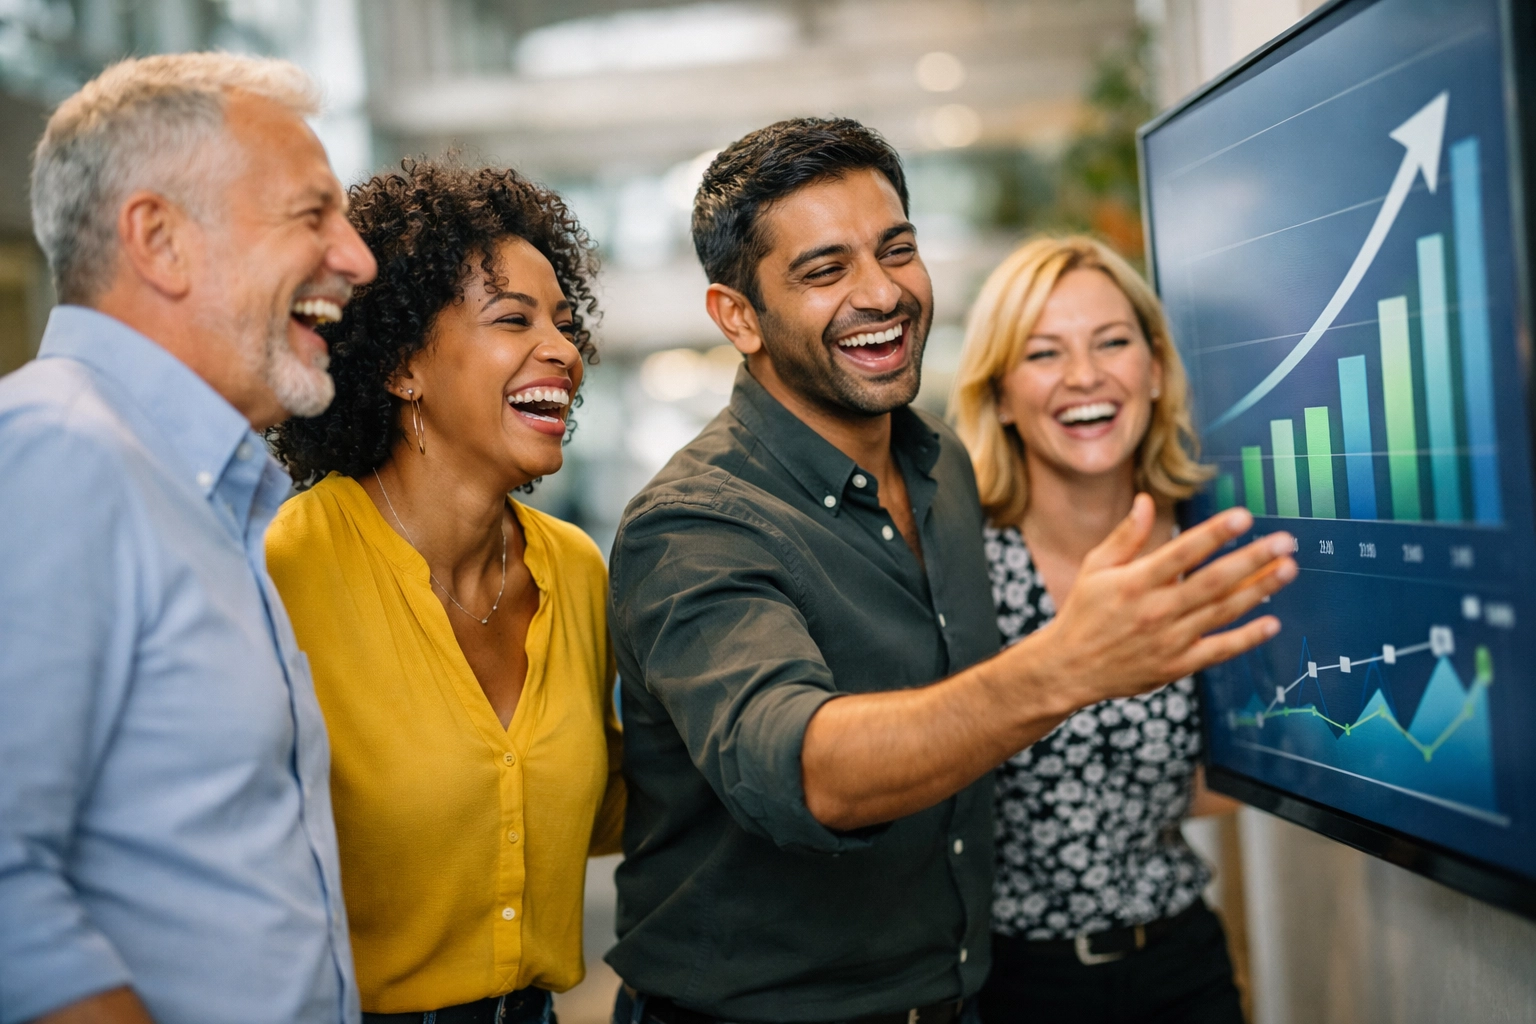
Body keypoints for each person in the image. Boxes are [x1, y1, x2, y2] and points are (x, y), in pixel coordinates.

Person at [605, 116, 1295, 1024]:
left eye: (897, 250)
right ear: (739, 317)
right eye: (825, 270)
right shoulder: (695, 522)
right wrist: (1067, 664)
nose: (881, 292)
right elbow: (804, 771)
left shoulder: (943, 469)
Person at [0, 54, 376, 1024]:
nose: (357, 258)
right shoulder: (58, 453)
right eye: (312, 214)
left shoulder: (197, 484)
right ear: (161, 241)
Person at [264, 160, 624, 1024]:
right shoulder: (288, 566)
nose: (563, 351)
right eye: (513, 319)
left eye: (563, 322)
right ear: (401, 365)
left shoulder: (576, 569)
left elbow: (611, 806)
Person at [951, 236, 1244, 1023]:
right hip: (1007, 987)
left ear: (1155, 369)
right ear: (1001, 395)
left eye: (1112, 342)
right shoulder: (956, 568)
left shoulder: (1208, 547)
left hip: (1181, 967)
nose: (1085, 375)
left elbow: (1236, 770)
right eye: (1044, 353)